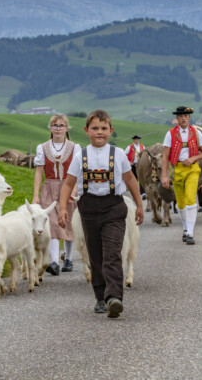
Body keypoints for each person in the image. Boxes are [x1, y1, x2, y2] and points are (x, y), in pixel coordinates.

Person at [58, 110, 144, 318]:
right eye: (95, 128)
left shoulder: (119, 154)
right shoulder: (80, 156)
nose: (100, 132)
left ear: (110, 131)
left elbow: (131, 180)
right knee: (95, 255)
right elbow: (68, 184)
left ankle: (114, 297)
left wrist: (139, 205)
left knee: (113, 252)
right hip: (88, 207)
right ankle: (100, 297)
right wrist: (62, 209)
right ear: (87, 131)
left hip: (114, 206)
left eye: (104, 129)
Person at [32, 114, 81, 275]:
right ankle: (53, 261)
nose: (58, 128)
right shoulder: (43, 147)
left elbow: (77, 172)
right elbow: (39, 172)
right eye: (55, 125)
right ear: (50, 128)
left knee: (68, 222)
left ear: (66, 128)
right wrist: (36, 195)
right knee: (51, 224)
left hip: (68, 187)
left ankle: (68, 258)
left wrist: (74, 190)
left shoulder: (75, 148)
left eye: (61, 125)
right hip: (49, 189)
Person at [161, 106, 202, 245]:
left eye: (186, 116)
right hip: (177, 169)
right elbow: (165, 156)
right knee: (180, 204)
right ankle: (185, 228)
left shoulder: (196, 133)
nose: (183, 118)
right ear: (177, 118)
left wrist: (194, 158)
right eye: (181, 116)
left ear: (189, 118)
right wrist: (164, 176)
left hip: (193, 169)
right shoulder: (170, 134)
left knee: (190, 199)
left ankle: (190, 233)